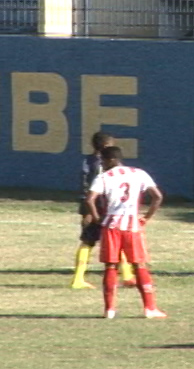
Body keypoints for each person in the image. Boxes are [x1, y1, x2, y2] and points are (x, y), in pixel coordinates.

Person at [85, 146, 166, 319]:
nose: (102, 164)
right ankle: (150, 308)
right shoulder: (139, 173)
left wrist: (98, 218)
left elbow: (90, 199)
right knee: (139, 265)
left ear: (111, 160)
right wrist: (147, 217)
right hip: (132, 225)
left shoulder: (104, 177)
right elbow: (157, 196)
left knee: (110, 266)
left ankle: (109, 310)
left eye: (103, 161)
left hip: (111, 225)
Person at [70, 132, 135, 289]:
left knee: (99, 241)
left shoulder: (87, 161)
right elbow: (89, 190)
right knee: (93, 241)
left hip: (98, 207)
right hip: (102, 208)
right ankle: (78, 279)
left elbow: (84, 187)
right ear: (106, 146)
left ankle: (127, 275)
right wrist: (88, 211)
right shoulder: (104, 165)